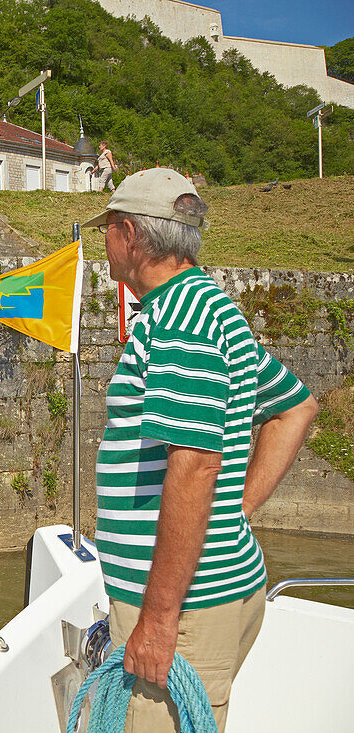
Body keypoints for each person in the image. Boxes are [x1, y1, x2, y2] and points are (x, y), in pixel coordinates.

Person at [82, 168, 318, 732]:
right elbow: (295, 407)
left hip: (180, 612)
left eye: (107, 229)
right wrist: (240, 508)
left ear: (131, 235)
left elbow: (195, 465)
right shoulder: (212, 308)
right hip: (215, 590)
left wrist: (159, 619)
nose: (104, 242)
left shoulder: (178, 320)